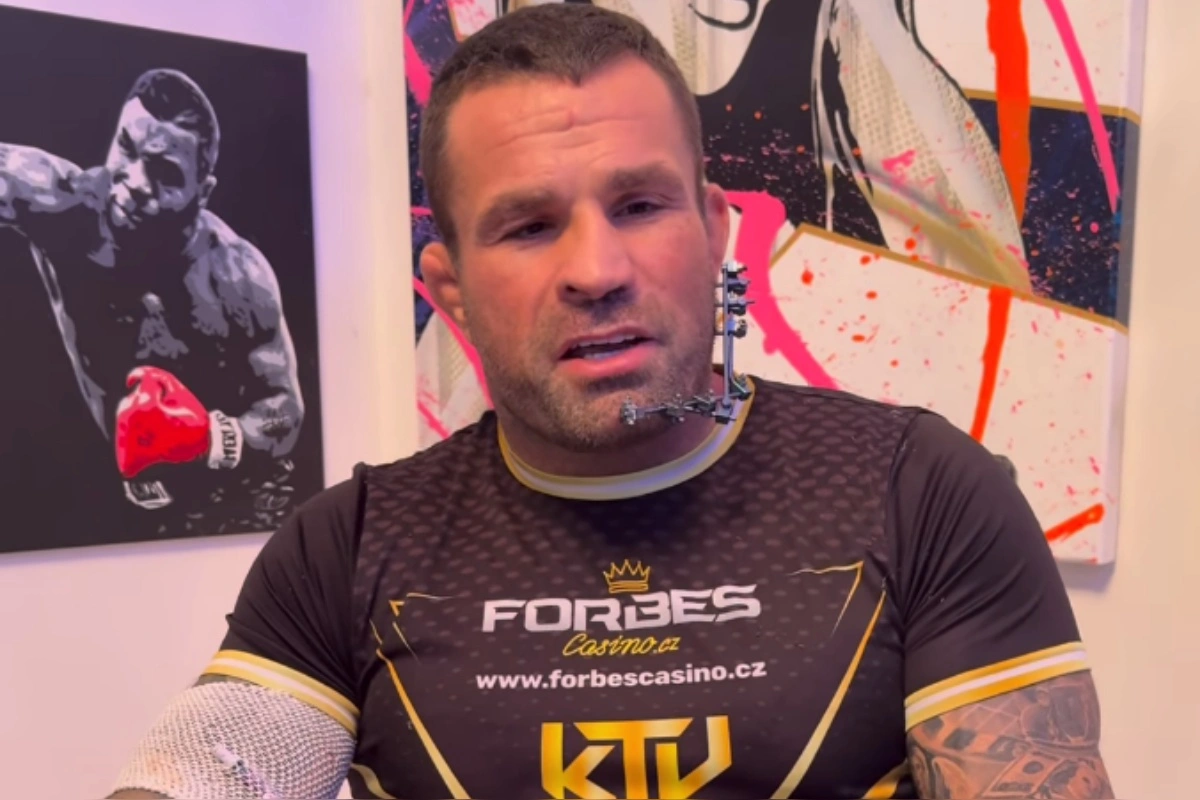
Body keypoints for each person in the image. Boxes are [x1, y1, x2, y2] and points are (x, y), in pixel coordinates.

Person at [109, 5, 1112, 799]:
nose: (597, 269)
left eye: (639, 205)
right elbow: (210, 769)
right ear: (450, 287)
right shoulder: (351, 544)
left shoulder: (919, 492)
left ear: (714, 230)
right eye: (528, 225)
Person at [0, 68, 303, 516]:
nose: (137, 182)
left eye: (165, 172)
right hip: (100, 496)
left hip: (230, 499)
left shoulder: (238, 274)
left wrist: (210, 438)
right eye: (127, 148)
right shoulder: (61, 203)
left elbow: (285, 410)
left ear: (203, 192)